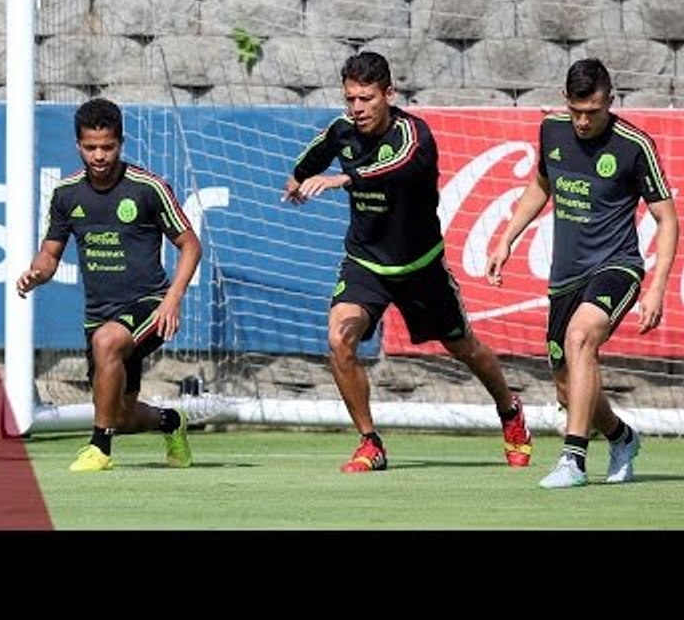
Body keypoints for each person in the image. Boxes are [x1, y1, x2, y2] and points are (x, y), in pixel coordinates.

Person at [282, 50, 532, 473]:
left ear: (389, 93)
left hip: (420, 267)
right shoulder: (341, 131)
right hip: (366, 263)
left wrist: (345, 178)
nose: (357, 109)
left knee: (465, 348)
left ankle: (510, 411)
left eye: (367, 99)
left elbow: (393, 168)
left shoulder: (414, 135)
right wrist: (297, 183)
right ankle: (370, 443)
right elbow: (306, 165)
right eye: (351, 100)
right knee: (339, 339)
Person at [486, 58, 678, 489]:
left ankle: (573, 460)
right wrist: (507, 238)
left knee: (580, 337)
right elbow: (541, 184)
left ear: (610, 100)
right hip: (565, 277)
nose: (584, 121)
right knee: (569, 389)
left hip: (617, 267)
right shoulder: (552, 130)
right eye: (576, 111)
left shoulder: (635, 145)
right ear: (564, 101)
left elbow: (667, 219)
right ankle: (622, 437)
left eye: (593, 111)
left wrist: (657, 288)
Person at [16, 98, 202, 472]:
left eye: (107, 147)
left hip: (150, 304)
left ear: (121, 143)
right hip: (97, 315)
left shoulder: (148, 188)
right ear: (78, 146)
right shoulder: (66, 194)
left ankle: (99, 448)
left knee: (107, 343)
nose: (99, 156)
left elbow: (190, 245)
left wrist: (172, 300)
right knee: (120, 414)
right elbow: (49, 255)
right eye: (90, 148)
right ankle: (171, 422)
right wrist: (36, 273)